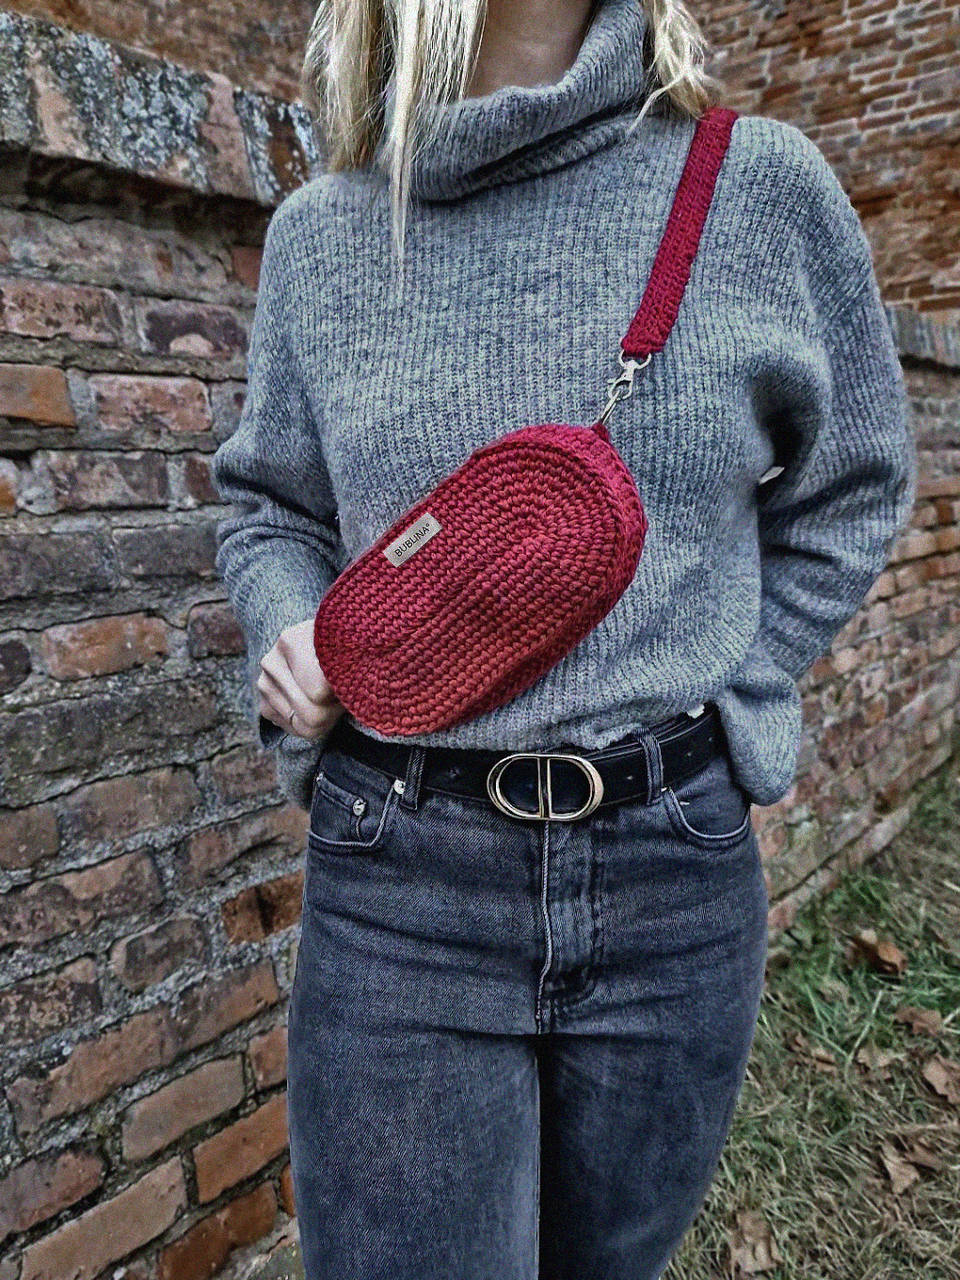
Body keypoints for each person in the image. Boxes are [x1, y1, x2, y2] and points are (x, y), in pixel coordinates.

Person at [211, 1, 917, 1276]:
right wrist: (293, 626)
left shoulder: (756, 189)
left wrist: (742, 683)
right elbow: (271, 507)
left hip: (672, 872)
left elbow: (854, 484)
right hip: (403, 878)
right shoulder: (324, 236)